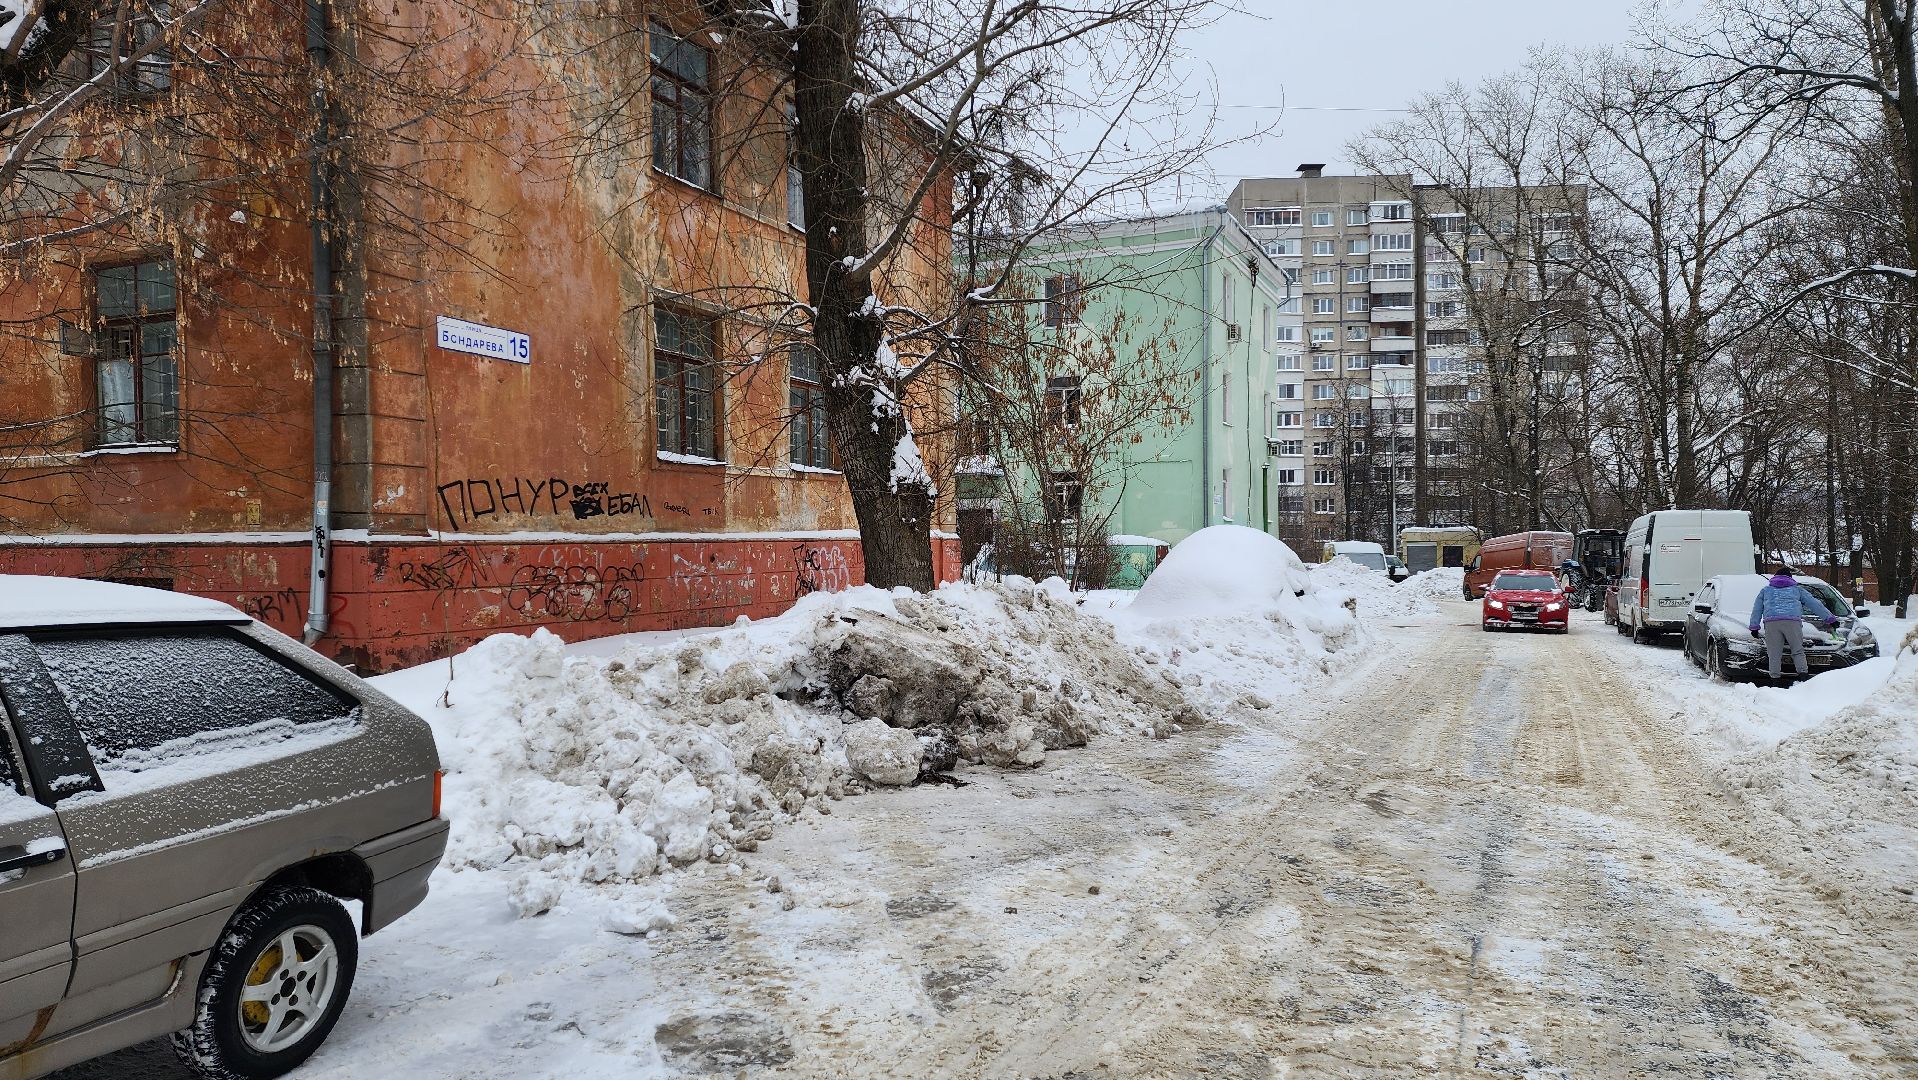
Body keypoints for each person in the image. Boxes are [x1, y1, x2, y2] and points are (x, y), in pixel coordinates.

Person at [1747, 567, 1838, 680]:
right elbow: (1815, 604)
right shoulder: (1797, 590)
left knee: (1774, 653)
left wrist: (1754, 626)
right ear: (1790, 578)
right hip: (1792, 622)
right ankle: (1803, 677)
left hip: (1772, 623)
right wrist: (1830, 619)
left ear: (1775, 578)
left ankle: (1775, 681)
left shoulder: (1766, 590)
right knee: (1797, 650)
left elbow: (1757, 609)